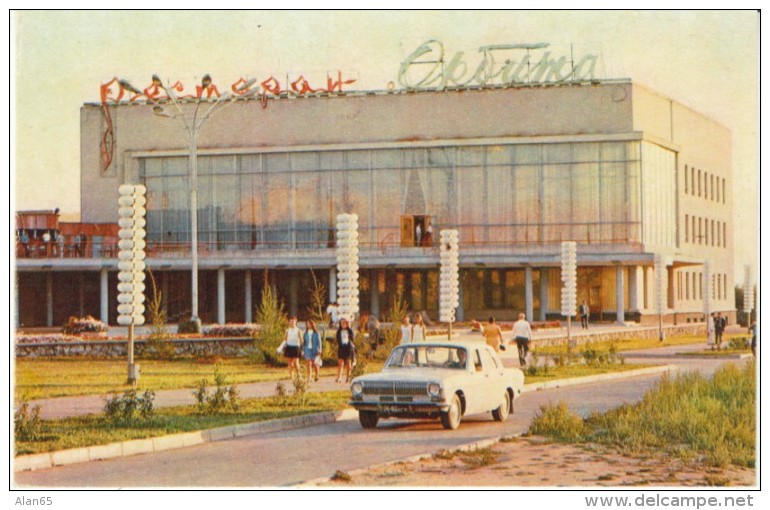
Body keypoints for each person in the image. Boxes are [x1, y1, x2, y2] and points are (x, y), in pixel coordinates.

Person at [335, 318, 356, 383]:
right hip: (341, 348)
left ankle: (348, 377)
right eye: (341, 323)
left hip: (348, 348)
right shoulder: (339, 331)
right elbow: (337, 339)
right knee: (340, 363)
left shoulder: (349, 331)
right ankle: (339, 377)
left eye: (344, 323)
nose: (343, 324)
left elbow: (352, 338)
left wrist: (349, 327)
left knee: (348, 363)